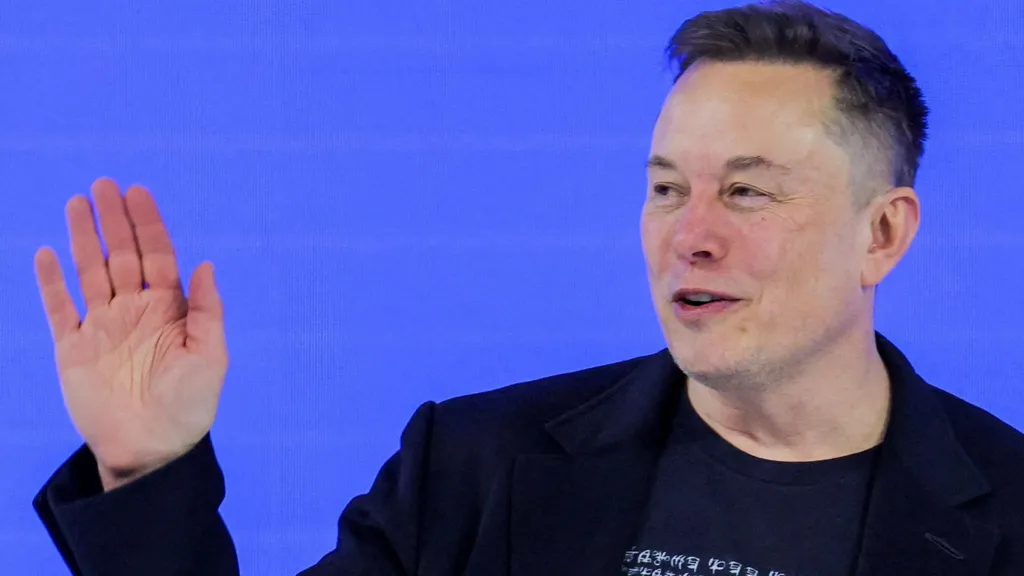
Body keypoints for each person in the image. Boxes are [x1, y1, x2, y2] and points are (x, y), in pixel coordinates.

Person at [30, 1, 1024, 574]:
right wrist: (143, 471)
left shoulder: (1010, 509)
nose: (690, 236)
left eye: (748, 192)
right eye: (667, 188)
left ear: (882, 233)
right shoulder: (473, 465)